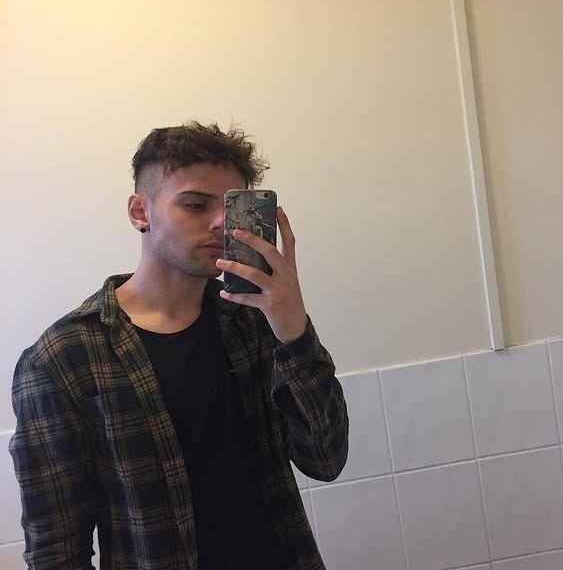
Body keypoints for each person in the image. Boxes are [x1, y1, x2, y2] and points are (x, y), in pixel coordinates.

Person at [9, 122, 349, 570]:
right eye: (195, 204)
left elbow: (325, 458)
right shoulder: (64, 358)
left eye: (232, 207)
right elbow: (56, 551)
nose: (220, 222)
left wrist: (294, 330)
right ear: (140, 212)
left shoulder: (254, 322)